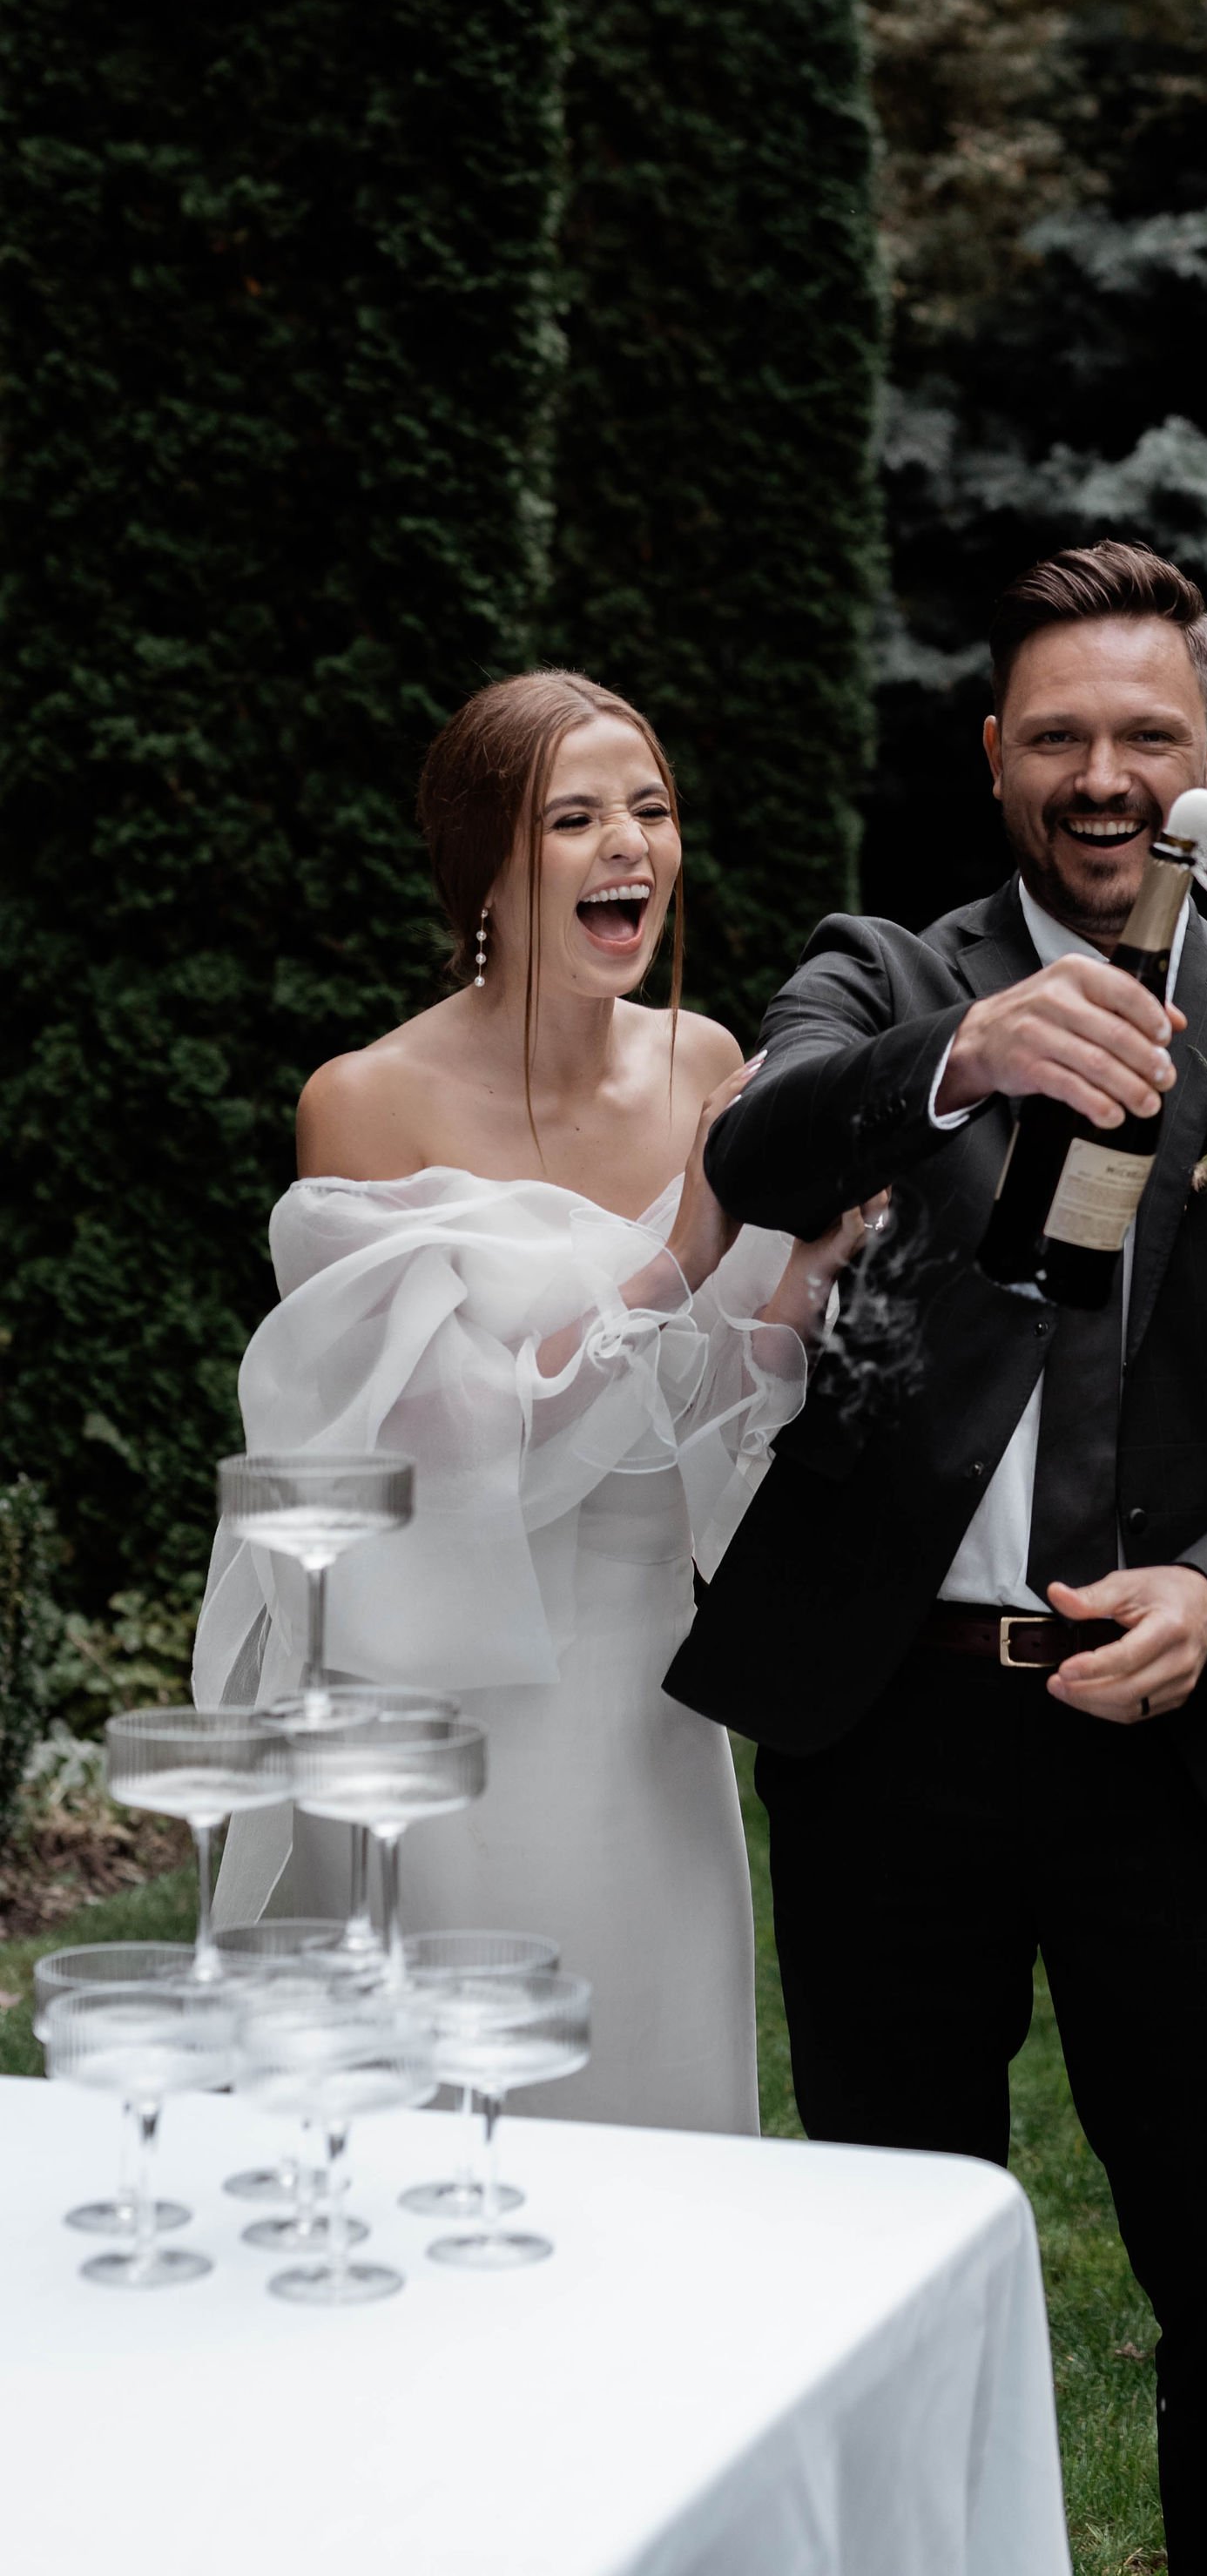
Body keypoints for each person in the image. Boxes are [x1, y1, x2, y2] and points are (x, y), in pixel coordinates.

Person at [668, 542, 1207, 2568]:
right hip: (890, 1735)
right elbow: (753, 1149)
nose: (1104, 778)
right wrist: (967, 1058)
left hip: (1167, 1745)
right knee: (890, 2265)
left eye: (1148, 738)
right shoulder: (886, 978)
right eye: (1061, 738)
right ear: (995, 751)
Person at [194, 671, 864, 2133]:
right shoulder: (365, 1100)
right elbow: (446, 1452)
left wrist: (808, 1268)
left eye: (652, 810)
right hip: (441, 1699)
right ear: (485, 864)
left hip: (649, 1697)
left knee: (665, 2109)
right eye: (575, 819)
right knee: (467, 2125)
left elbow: (720, 1406)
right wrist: (687, 1249)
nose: (629, 846)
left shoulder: (706, 1063)